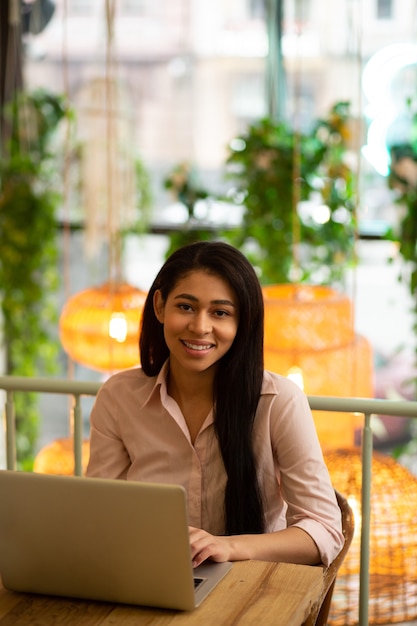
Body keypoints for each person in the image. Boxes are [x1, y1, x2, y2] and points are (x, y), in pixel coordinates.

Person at [87, 241, 344, 568]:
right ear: (159, 306)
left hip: (250, 588)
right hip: (149, 574)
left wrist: (228, 547)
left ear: (242, 323)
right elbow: (101, 513)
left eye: (220, 313)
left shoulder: (280, 402)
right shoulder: (119, 397)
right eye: (186, 307)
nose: (200, 327)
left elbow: (323, 529)